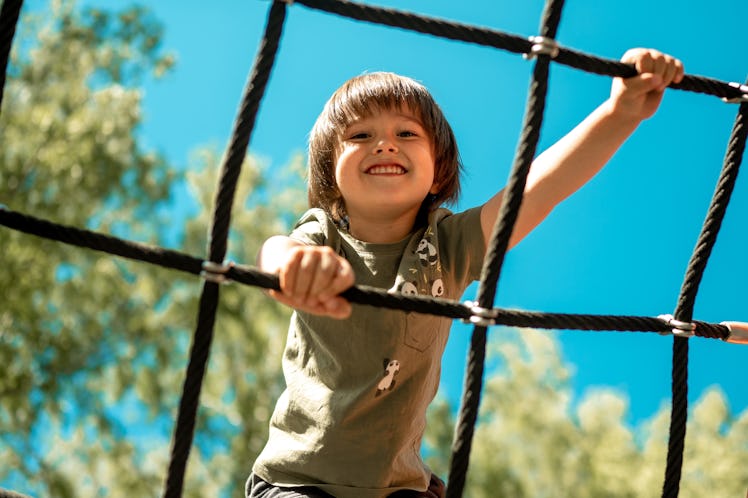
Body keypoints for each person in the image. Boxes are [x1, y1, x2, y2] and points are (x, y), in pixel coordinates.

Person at [247, 48, 684, 498]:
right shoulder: (324, 236)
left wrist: (619, 112)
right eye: (360, 134)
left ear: (438, 174)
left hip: (401, 487)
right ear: (331, 175)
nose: (385, 143)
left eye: (406, 132)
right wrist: (292, 268)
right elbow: (278, 251)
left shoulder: (448, 247)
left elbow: (539, 190)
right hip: (300, 481)